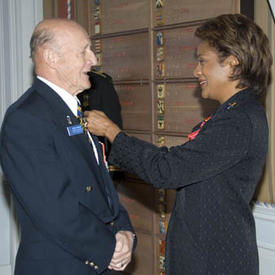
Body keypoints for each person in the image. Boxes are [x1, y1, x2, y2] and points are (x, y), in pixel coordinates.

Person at [85, 14, 273, 275]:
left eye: (202, 61)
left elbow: (168, 169)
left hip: (214, 263)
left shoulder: (238, 120)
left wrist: (112, 132)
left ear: (233, 63)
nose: (196, 71)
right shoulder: (235, 113)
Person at [0, 19, 135, 275]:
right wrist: (109, 248)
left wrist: (125, 231)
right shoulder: (26, 119)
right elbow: (54, 208)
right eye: (83, 50)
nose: (92, 60)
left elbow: (100, 186)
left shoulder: (70, 111)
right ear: (51, 57)